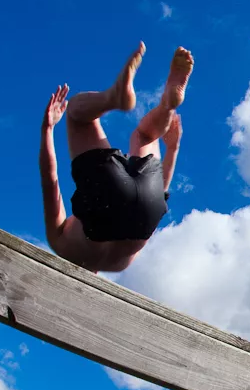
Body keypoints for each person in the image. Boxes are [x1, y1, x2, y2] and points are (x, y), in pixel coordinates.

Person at [39, 43, 193, 273]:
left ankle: (166, 108)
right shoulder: (63, 246)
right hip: (111, 201)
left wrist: (172, 149)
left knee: (146, 137)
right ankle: (114, 98)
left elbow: (158, 194)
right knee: (77, 117)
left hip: (145, 214)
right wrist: (48, 128)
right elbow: (50, 181)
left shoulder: (118, 265)